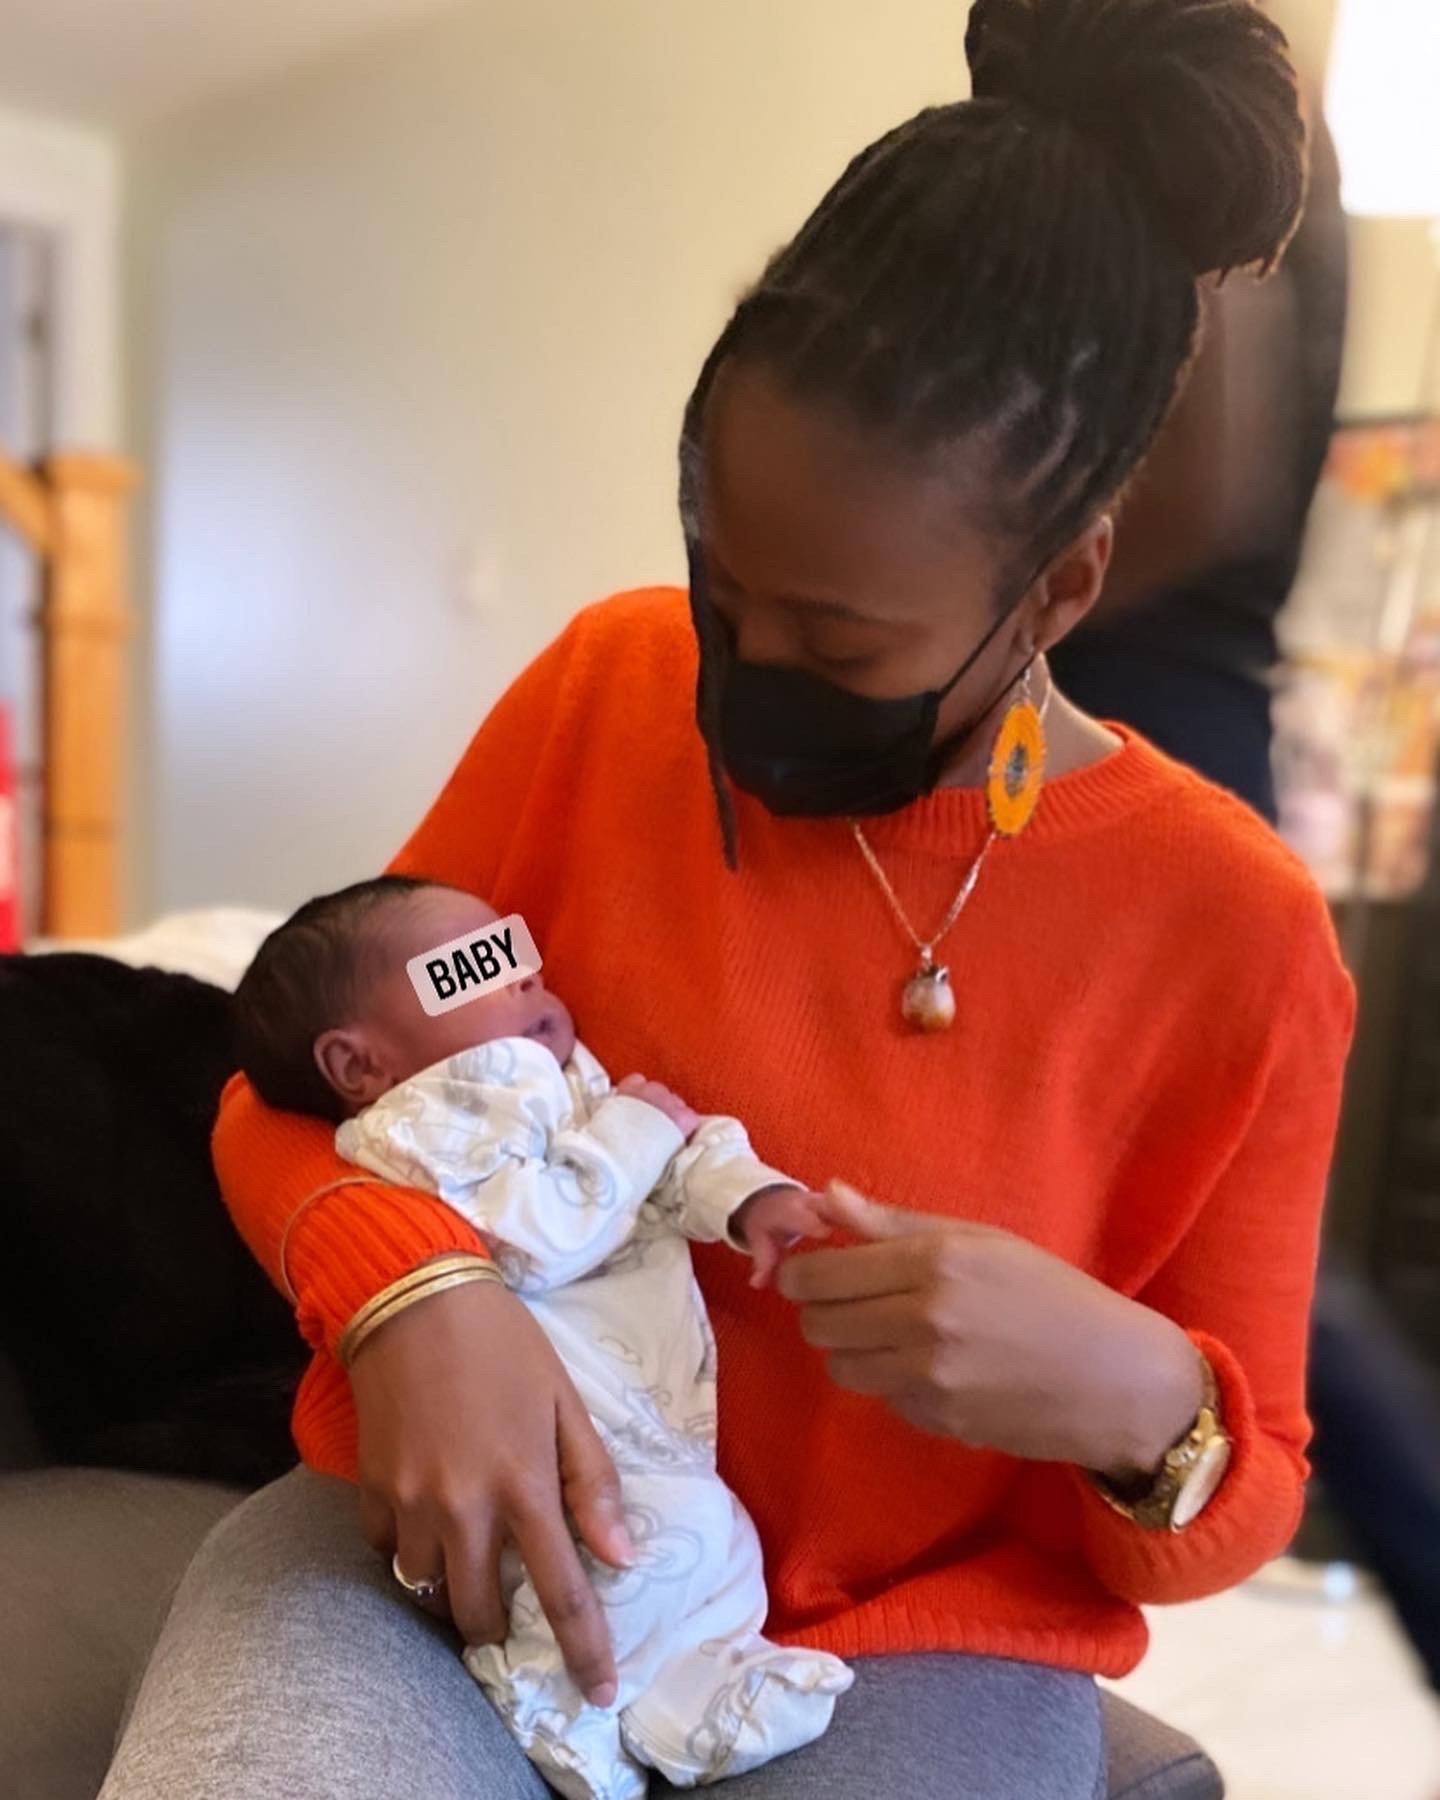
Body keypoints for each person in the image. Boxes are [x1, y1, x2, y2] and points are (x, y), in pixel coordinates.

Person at [102, 4, 1355, 1797]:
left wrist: (1135, 1397)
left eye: (837, 640)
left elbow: (1252, 1486)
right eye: (721, 578)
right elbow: (308, 1070)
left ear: (1063, 583)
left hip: (900, 1650)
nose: (740, 673)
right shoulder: (605, 696)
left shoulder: (1232, 937)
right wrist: (404, 1292)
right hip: (461, 1565)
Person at [231, 875, 850, 1798]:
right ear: (360, 1066)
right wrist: (635, 1130)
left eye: (519, 955)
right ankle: (560, 1696)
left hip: (641, 1408)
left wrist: (743, 1195)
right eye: (478, 968)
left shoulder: (551, 1084)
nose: (527, 978)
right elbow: (537, 1236)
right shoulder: (427, 1123)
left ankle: (686, 1690)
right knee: (633, 1543)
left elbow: (664, 1156)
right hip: (551, 1427)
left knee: (708, 1544)